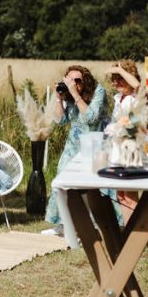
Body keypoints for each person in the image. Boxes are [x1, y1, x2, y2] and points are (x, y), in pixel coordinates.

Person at [43, 65, 107, 236]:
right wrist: (59, 98)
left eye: (77, 80)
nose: (74, 84)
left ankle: (88, 227)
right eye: (70, 80)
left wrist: (76, 94)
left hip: (94, 146)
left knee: (89, 188)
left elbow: (91, 118)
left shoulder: (98, 91)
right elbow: (60, 120)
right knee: (62, 184)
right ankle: (63, 225)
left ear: (85, 80)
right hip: (73, 147)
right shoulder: (69, 95)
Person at [105, 60, 142, 222]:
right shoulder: (118, 98)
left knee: (130, 194)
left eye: (119, 78)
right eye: (113, 78)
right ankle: (128, 230)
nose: (115, 81)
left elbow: (139, 86)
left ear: (129, 77)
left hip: (130, 150)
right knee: (120, 194)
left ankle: (135, 232)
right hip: (116, 150)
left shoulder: (135, 97)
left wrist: (121, 70)